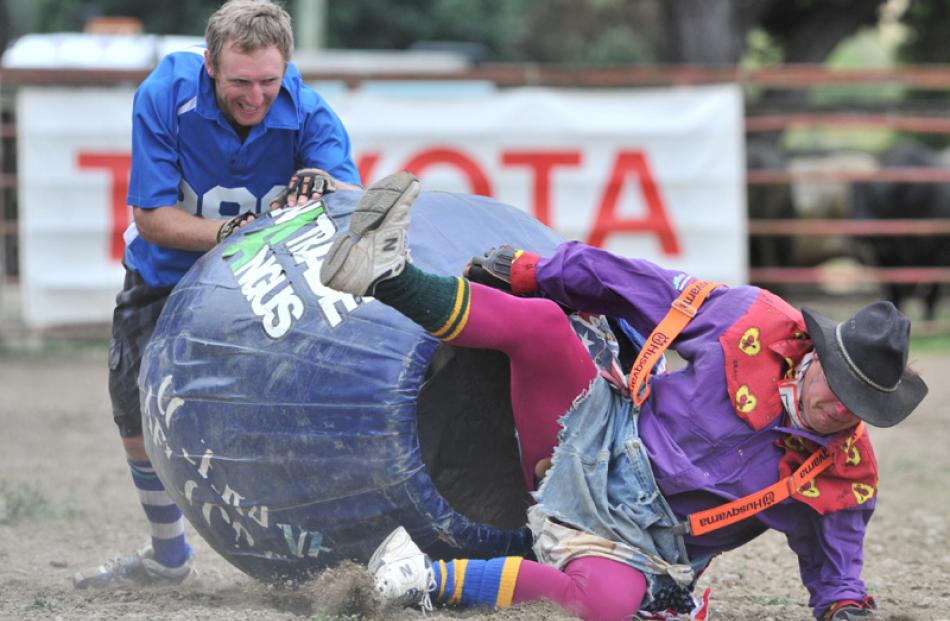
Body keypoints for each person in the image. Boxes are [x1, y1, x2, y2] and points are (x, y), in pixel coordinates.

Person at [318, 172, 928, 621]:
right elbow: (641, 284)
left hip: (641, 542)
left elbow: (837, 569)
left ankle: (415, 577)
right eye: (840, 387)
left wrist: (845, 607)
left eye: (861, 407)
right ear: (816, 353)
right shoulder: (756, 321)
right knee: (543, 328)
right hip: (591, 441)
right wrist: (534, 272)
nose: (841, 410)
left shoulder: (844, 475)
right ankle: (385, 275)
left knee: (607, 605)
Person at [73, 0, 361, 589]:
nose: (255, 97)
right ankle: (168, 556)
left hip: (266, 282)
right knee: (133, 416)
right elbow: (152, 217)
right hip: (163, 271)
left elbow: (350, 204)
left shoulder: (310, 112)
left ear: (286, 69)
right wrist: (238, 233)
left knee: (287, 416)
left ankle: (309, 558)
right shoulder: (163, 95)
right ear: (209, 64)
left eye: (268, 82)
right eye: (239, 81)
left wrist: (329, 186)